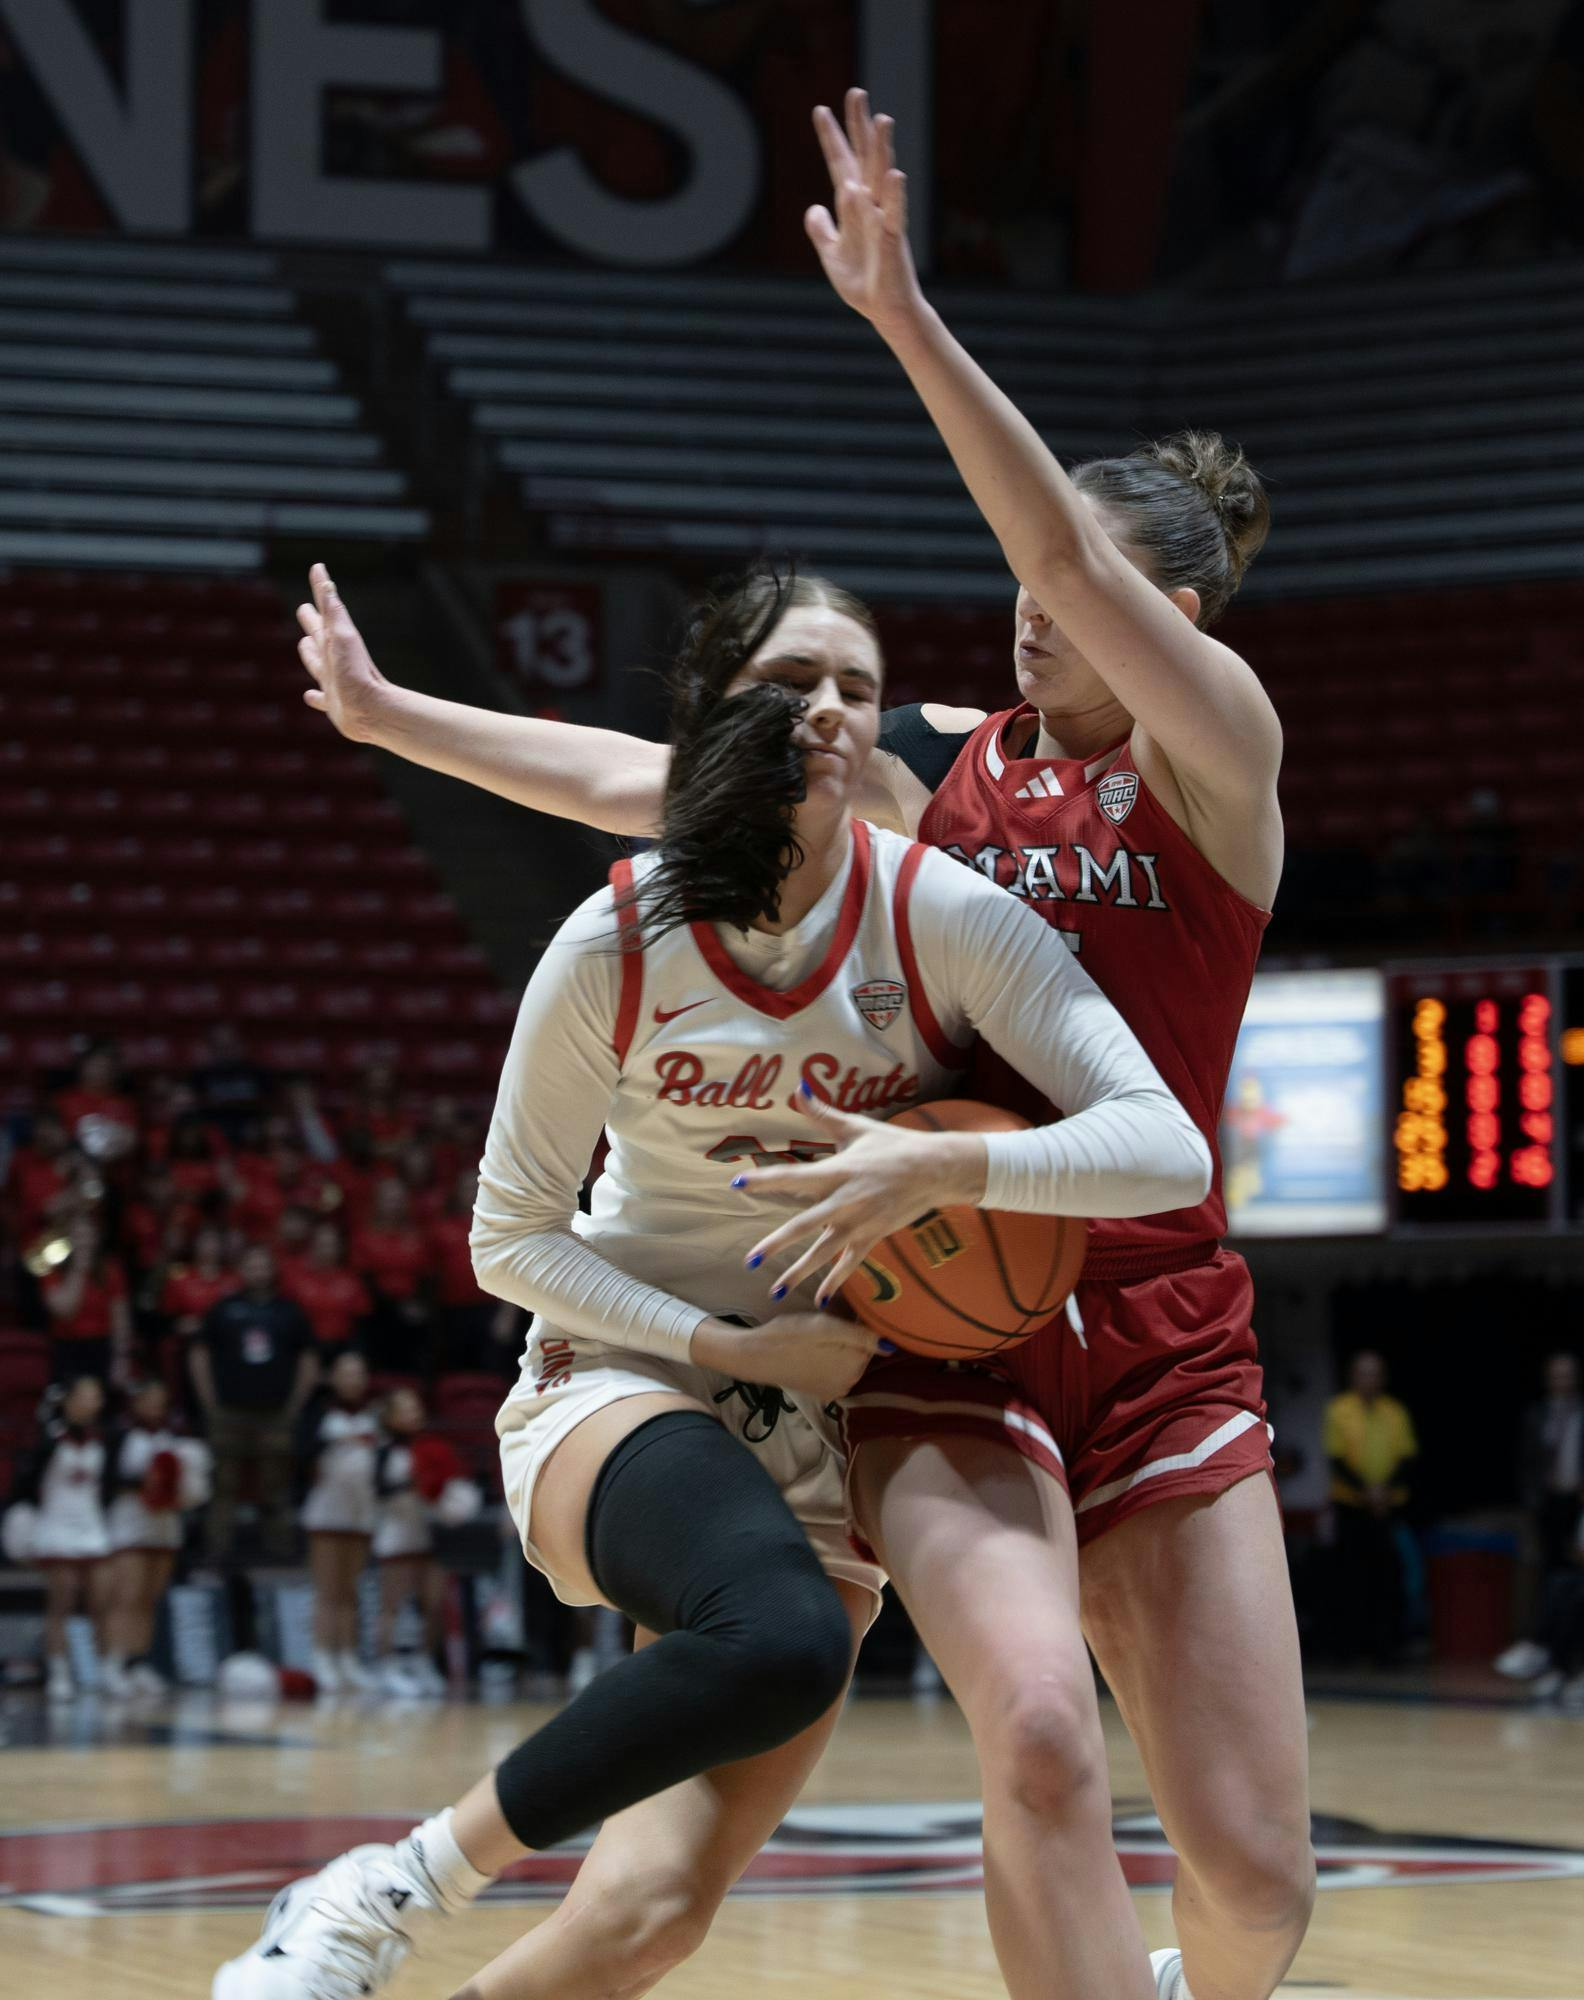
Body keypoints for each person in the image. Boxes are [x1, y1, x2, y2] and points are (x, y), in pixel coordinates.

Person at [287, 89, 1308, 2000]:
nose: (1022, 592)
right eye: (1015, 560)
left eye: (1066, 571)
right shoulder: (926, 769)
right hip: (944, 1316)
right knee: (1023, 1741)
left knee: (1251, 1881)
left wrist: (903, 316)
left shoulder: (1219, 755)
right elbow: (647, 778)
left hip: (1156, 1313)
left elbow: (1078, 574)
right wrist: (394, 721)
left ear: (1170, 619)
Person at [214, 563, 1209, 2000]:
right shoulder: (616, 940)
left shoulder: (939, 905)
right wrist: (723, 1347)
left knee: (650, 1914)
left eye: (857, 688)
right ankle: (384, 1885)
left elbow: (1164, 1144)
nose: (829, 710)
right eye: (790, 683)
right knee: (784, 1631)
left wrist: (948, 1174)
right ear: (710, 721)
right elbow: (510, 1242)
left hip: (823, 1408)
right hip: (626, 1364)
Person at [190, 1244, 318, 1566]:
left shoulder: (290, 1311)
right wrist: (210, 1401)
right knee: (222, 1486)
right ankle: (216, 1553)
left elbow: (309, 1358)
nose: (258, 1271)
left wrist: (294, 1404)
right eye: (251, 1265)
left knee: (276, 1487)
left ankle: (281, 1552)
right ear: (241, 1270)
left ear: (272, 1271)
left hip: (276, 1413)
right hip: (229, 1412)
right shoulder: (222, 1308)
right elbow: (199, 1353)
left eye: (263, 1265)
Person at [101, 1379, 212, 1698]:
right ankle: (113, 1660)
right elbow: (107, 1480)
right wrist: (142, 1483)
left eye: (159, 1400)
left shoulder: (175, 1438)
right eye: (147, 1399)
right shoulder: (121, 1435)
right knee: (128, 1594)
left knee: (150, 1598)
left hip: (163, 1526)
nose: (154, 1406)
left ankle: (137, 1661)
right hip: (130, 1522)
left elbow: (189, 1482)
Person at [8, 1376, 112, 1700]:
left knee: (100, 1602)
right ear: (68, 1401)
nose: (92, 1403)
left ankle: (101, 1669)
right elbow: (24, 1484)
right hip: (58, 1526)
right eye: (85, 1396)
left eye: (96, 1397)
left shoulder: (105, 1438)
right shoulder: (49, 1438)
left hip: (93, 1526)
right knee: (62, 1603)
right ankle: (60, 1671)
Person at [1323, 1350, 1418, 1665]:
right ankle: (1348, 1648)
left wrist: (1383, 1493)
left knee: (1388, 1578)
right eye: (1363, 1373)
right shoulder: (1339, 1410)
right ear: (1353, 1377)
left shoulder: (1395, 1412)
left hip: (1387, 1510)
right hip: (1351, 1507)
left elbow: (1406, 1458)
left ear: (1383, 1378)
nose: (1369, 1380)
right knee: (1350, 1579)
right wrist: (1368, 1493)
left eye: (1375, 1373)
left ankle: (1386, 1649)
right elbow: (1336, 1460)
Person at [1495, 1349, 1584, 1682]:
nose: (1562, 1381)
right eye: (1556, 1374)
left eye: (1568, 1374)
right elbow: (1526, 1461)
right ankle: (1550, 1656)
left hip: (1577, 1501)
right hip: (1549, 1503)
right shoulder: (1537, 1415)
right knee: (1556, 1580)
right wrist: (1533, 1500)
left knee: (1570, 1582)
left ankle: (1560, 1657)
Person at [371, 1385, 462, 1698]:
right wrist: (410, 1483)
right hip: (396, 1534)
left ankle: (424, 1660)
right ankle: (388, 1665)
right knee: (392, 1606)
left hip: (428, 1532)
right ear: (390, 1417)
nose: (415, 1414)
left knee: (434, 1602)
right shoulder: (384, 1450)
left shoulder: (431, 1446)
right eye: (406, 1409)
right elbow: (378, 1491)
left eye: (416, 1407)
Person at [301, 1350, 381, 1695]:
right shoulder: (318, 1413)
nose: (353, 1380)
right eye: (346, 1373)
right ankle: (322, 1656)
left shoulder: (377, 1416)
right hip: (327, 1511)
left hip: (361, 1513)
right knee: (328, 1589)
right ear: (333, 1378)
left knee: (350, 1590)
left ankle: (348, 1657)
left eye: (358, 1373)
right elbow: (302, 1455)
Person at [41, 1216, 132, 1387]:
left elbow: (120, 1317)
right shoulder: (53, 1270)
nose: (84, 1242)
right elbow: (64, 1311)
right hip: (67, 1347)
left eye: (88, 1236)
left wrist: (121, 1356)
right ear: (68, 1239)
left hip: (101, 1346)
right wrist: (79, 1270)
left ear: (96, 1238)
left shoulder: (110, 1269)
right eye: (78, 1236)